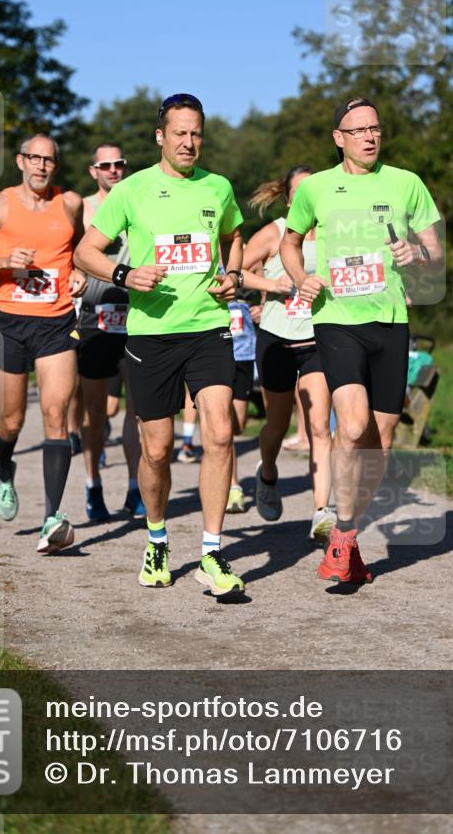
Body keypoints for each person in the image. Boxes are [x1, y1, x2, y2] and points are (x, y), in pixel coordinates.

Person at [74, 93, 246, 596]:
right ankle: (156, 539)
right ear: (160, 137)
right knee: (158, 450)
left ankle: (213, 552)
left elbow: (235, 235)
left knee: (220, 433)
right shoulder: (133, 190)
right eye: (180, 134)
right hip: (152, 334)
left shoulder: (218, 187)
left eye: (196, 134)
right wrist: (126, 273)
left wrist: (233, 273)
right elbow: (86, 252)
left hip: (209, 326)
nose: (189, 142)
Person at [281, 96, 443, 584]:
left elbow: (436, 254)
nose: (370, 137)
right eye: (359, 130)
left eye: (376, 128)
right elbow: (291, 243)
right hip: (337, 320)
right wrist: (300, 278)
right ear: (339, 138)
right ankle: (343, 535)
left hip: (391, 322)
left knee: (381, 439)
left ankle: (347, 539)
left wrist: (417, 251)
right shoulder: (317, 190)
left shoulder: (406, 184)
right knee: (351, 426)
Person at [0, 133, 86, 555]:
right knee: (11, 421)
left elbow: (82, 249)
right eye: (34, 159)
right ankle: (4, 468)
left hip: (56, 322)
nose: (41, 167)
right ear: (20, 161)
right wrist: (4, 262)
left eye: (49, 160)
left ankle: (52, 517)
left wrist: (82, 272)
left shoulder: (69, 202)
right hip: (9, 323)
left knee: (57, 414)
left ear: (56, 165)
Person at [242, 168, 335, 544]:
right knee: (276, 427)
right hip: (277, 339)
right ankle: (267, 473)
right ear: (288, 197)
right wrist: (270, 285)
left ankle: (321, 512)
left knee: (318, 428)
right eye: (300, 191)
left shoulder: (331, 233)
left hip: (317, 340)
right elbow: (236, 272)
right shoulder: (274, 233)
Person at [76, 143, 144, 520]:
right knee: (95, 412)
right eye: (106, 165)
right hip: (94, 316)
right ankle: (93, 485)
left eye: (120, 164)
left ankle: (135, 488)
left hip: (136, 314)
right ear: (93, 170)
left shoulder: (138, 199)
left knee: (136, 410)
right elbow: (71, 254)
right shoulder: (83, 209)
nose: (114, 170)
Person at [226, 290, 257, 513]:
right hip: (216, 351)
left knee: (238, 426)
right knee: (223, 425)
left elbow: (269, 289)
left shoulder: (251, 259)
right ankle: (232, 486)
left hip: (244, 352)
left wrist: (264, 308)